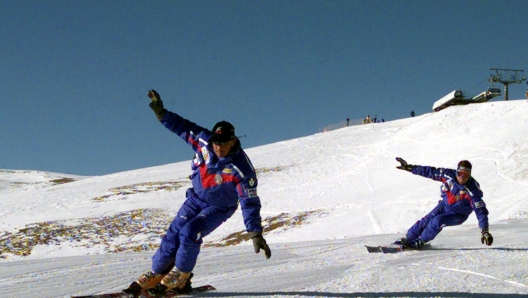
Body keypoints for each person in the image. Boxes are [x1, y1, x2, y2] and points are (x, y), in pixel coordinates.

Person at [128, 90, 271, 294]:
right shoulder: (204, 142)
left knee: (189, 232)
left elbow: (249, 202)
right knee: (173, 234)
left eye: (223, 144)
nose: (218, 148)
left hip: (219, 207)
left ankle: (181, 276)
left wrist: (255, 232)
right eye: (216, 143)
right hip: (195, 199)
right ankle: (157, 272)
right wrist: (161, 113)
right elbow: (183, 127)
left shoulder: (242, 169)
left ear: (233, 141)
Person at [393, 157, 493, 249]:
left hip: (458, 214)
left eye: (466, 174)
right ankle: (408, 238)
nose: (462, 177)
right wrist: (410, 168)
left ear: (470, 174)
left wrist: (485, 231)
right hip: (444, 206)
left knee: (437, 221)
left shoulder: (472, 190)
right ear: (456, 171)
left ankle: (420, 241)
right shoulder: (448, 175)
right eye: (460, 173)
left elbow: (480, 211)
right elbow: (430, 172)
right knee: (426, 220)